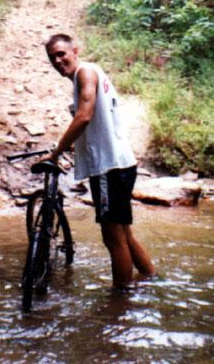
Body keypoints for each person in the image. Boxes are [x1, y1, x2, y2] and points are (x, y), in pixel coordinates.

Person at [43, 33, 155, 289]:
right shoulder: (90, 74)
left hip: (109, 168)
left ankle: (120, 304)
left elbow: (83, 116)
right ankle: (150, 277)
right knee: (124, 234)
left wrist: (57, 152)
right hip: (121, 163)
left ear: (75, 50)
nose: (58, 61)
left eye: (62, 54)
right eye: (52, 58)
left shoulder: (85, 73)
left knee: (113, 239)